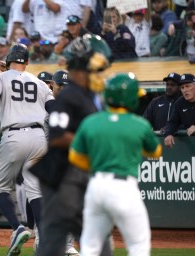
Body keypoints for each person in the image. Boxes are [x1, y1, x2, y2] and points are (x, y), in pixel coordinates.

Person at [32, 34, 113, 256]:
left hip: (79, 174)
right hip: (62, 177)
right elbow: (58, 136)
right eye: (96, 68)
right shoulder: (68, 96)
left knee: (98, 240)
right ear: (82, 67)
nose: (100, 73)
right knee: (54, 244)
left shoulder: (92, 95)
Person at [69, 72, 162, 256]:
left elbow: (74, 157)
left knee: (90, 248)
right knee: (138, 247)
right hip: (123, 188)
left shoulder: (91, 122)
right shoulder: (139, 124)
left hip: (95, 186)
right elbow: (155, 152)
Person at [0, 43, 55, 256]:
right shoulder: (40, 83)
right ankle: (44, 238)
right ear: (28, 62)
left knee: (0, 188)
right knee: (35, 189)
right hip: (39, 136)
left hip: (13, 135)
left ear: (9, 58)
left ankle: (17, 228)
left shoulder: (0, 78)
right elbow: (54, 109)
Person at [164, 73, 195, 148]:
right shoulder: (180, 103)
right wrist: (168, 134)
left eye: (188, 86)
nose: (185, 90)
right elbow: (173, 122)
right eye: (182, 87)